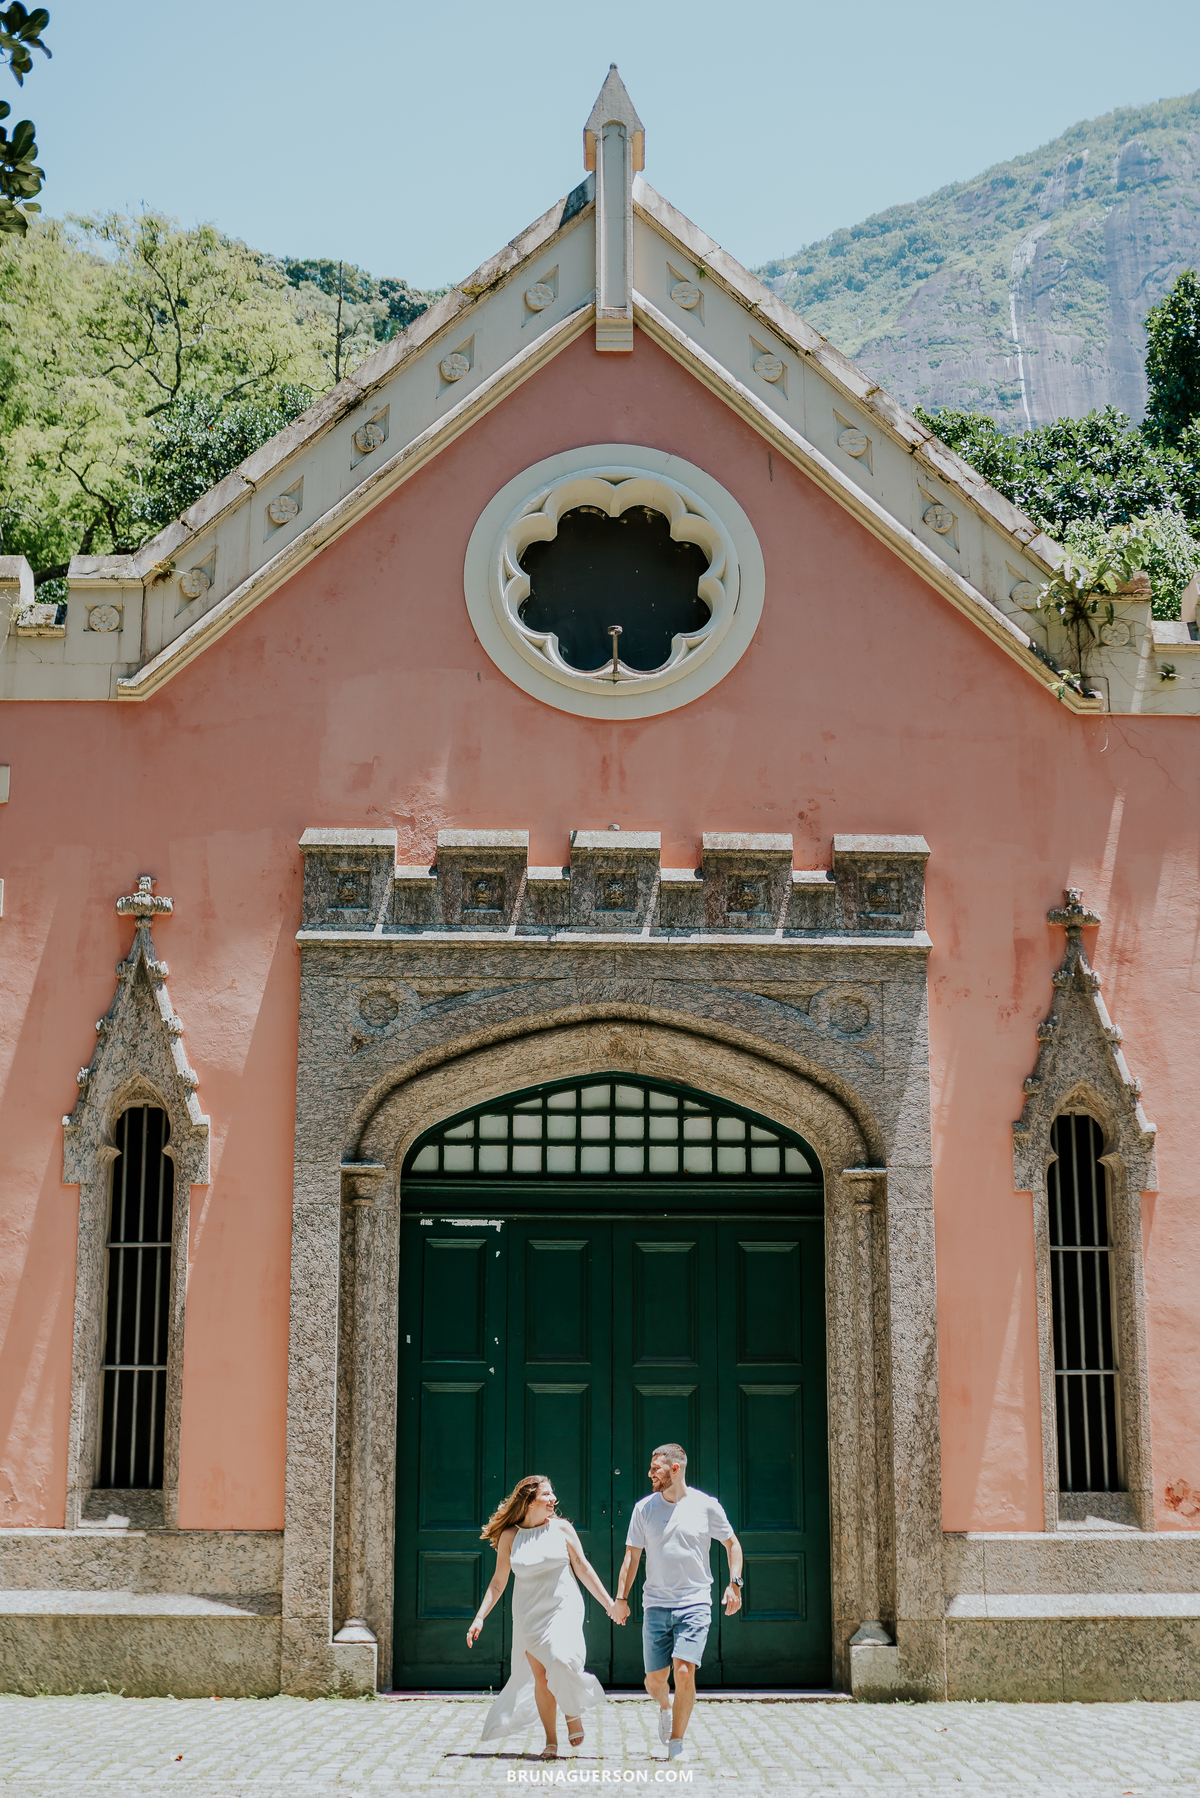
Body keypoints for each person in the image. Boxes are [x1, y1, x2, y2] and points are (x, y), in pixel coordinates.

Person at [469, 1473, 619, 1759]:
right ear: (529, 1501)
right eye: (547, 1494)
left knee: (561, 1659)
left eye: (552, 1493)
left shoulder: (562, 1529)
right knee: (541, 1677)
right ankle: (551, 1740)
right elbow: (498, 1581)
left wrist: (609, 1603)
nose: (553, 1499)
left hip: (563, 1606)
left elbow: (583, 1568)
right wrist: (480, 1617)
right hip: (529, 1614)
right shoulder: (510, 1536)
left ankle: (572, 1712)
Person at [611, 1443, 742, 1762]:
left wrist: (734, 1584)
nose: (649, 1473)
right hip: (656, 1604)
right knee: (655, 1680)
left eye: (655, 1468)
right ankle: (664, 1706)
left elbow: (732, 1545)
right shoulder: (644, 1508)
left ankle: (677, 1742)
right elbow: (631, 1557)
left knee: (684, 1672)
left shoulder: (705, 1506)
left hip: (695, 1602)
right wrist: (621, 1599)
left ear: (675, 1468)